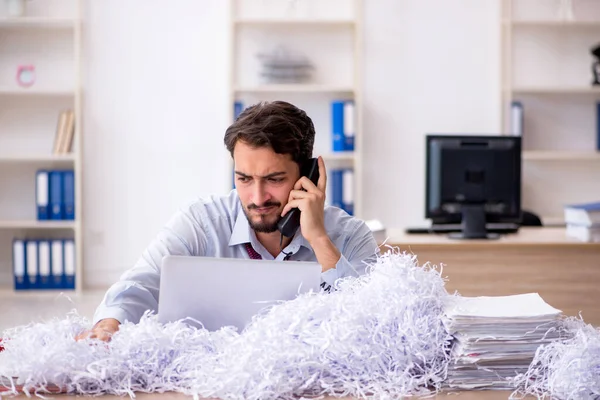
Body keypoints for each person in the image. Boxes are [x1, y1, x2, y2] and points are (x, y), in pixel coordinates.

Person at [78, 101, 379, 342]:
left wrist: (319, 240)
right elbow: (141, 283)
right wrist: (109, 324)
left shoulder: (350, 236)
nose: (257, 198)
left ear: (308, 174)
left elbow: (369, 326)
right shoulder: (201, 221)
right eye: (244, 178)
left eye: (274, 179)